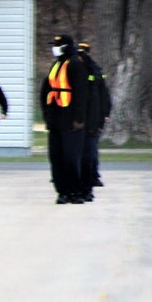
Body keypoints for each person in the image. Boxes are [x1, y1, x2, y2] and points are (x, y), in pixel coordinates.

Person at [41, 34, 90, 204]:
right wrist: (47, 115)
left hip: (70, 119)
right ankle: (62, 191)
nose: (54, 48)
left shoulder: (76, 64)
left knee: (70, 157)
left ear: (66, 47)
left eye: (57, 45)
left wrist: (78, 118)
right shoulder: (56, 65)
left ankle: (75, 191)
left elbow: (82, 93)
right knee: (56, 157)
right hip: (56, 118)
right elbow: (45, 90)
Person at [77, 42, 111, 198]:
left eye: (83, 53)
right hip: (81, 118)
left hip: (93, 117)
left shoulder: (94, 69)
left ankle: (92, 177)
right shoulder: (76, 70)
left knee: (91, 151)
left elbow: (103, 93)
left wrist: (105, 112)